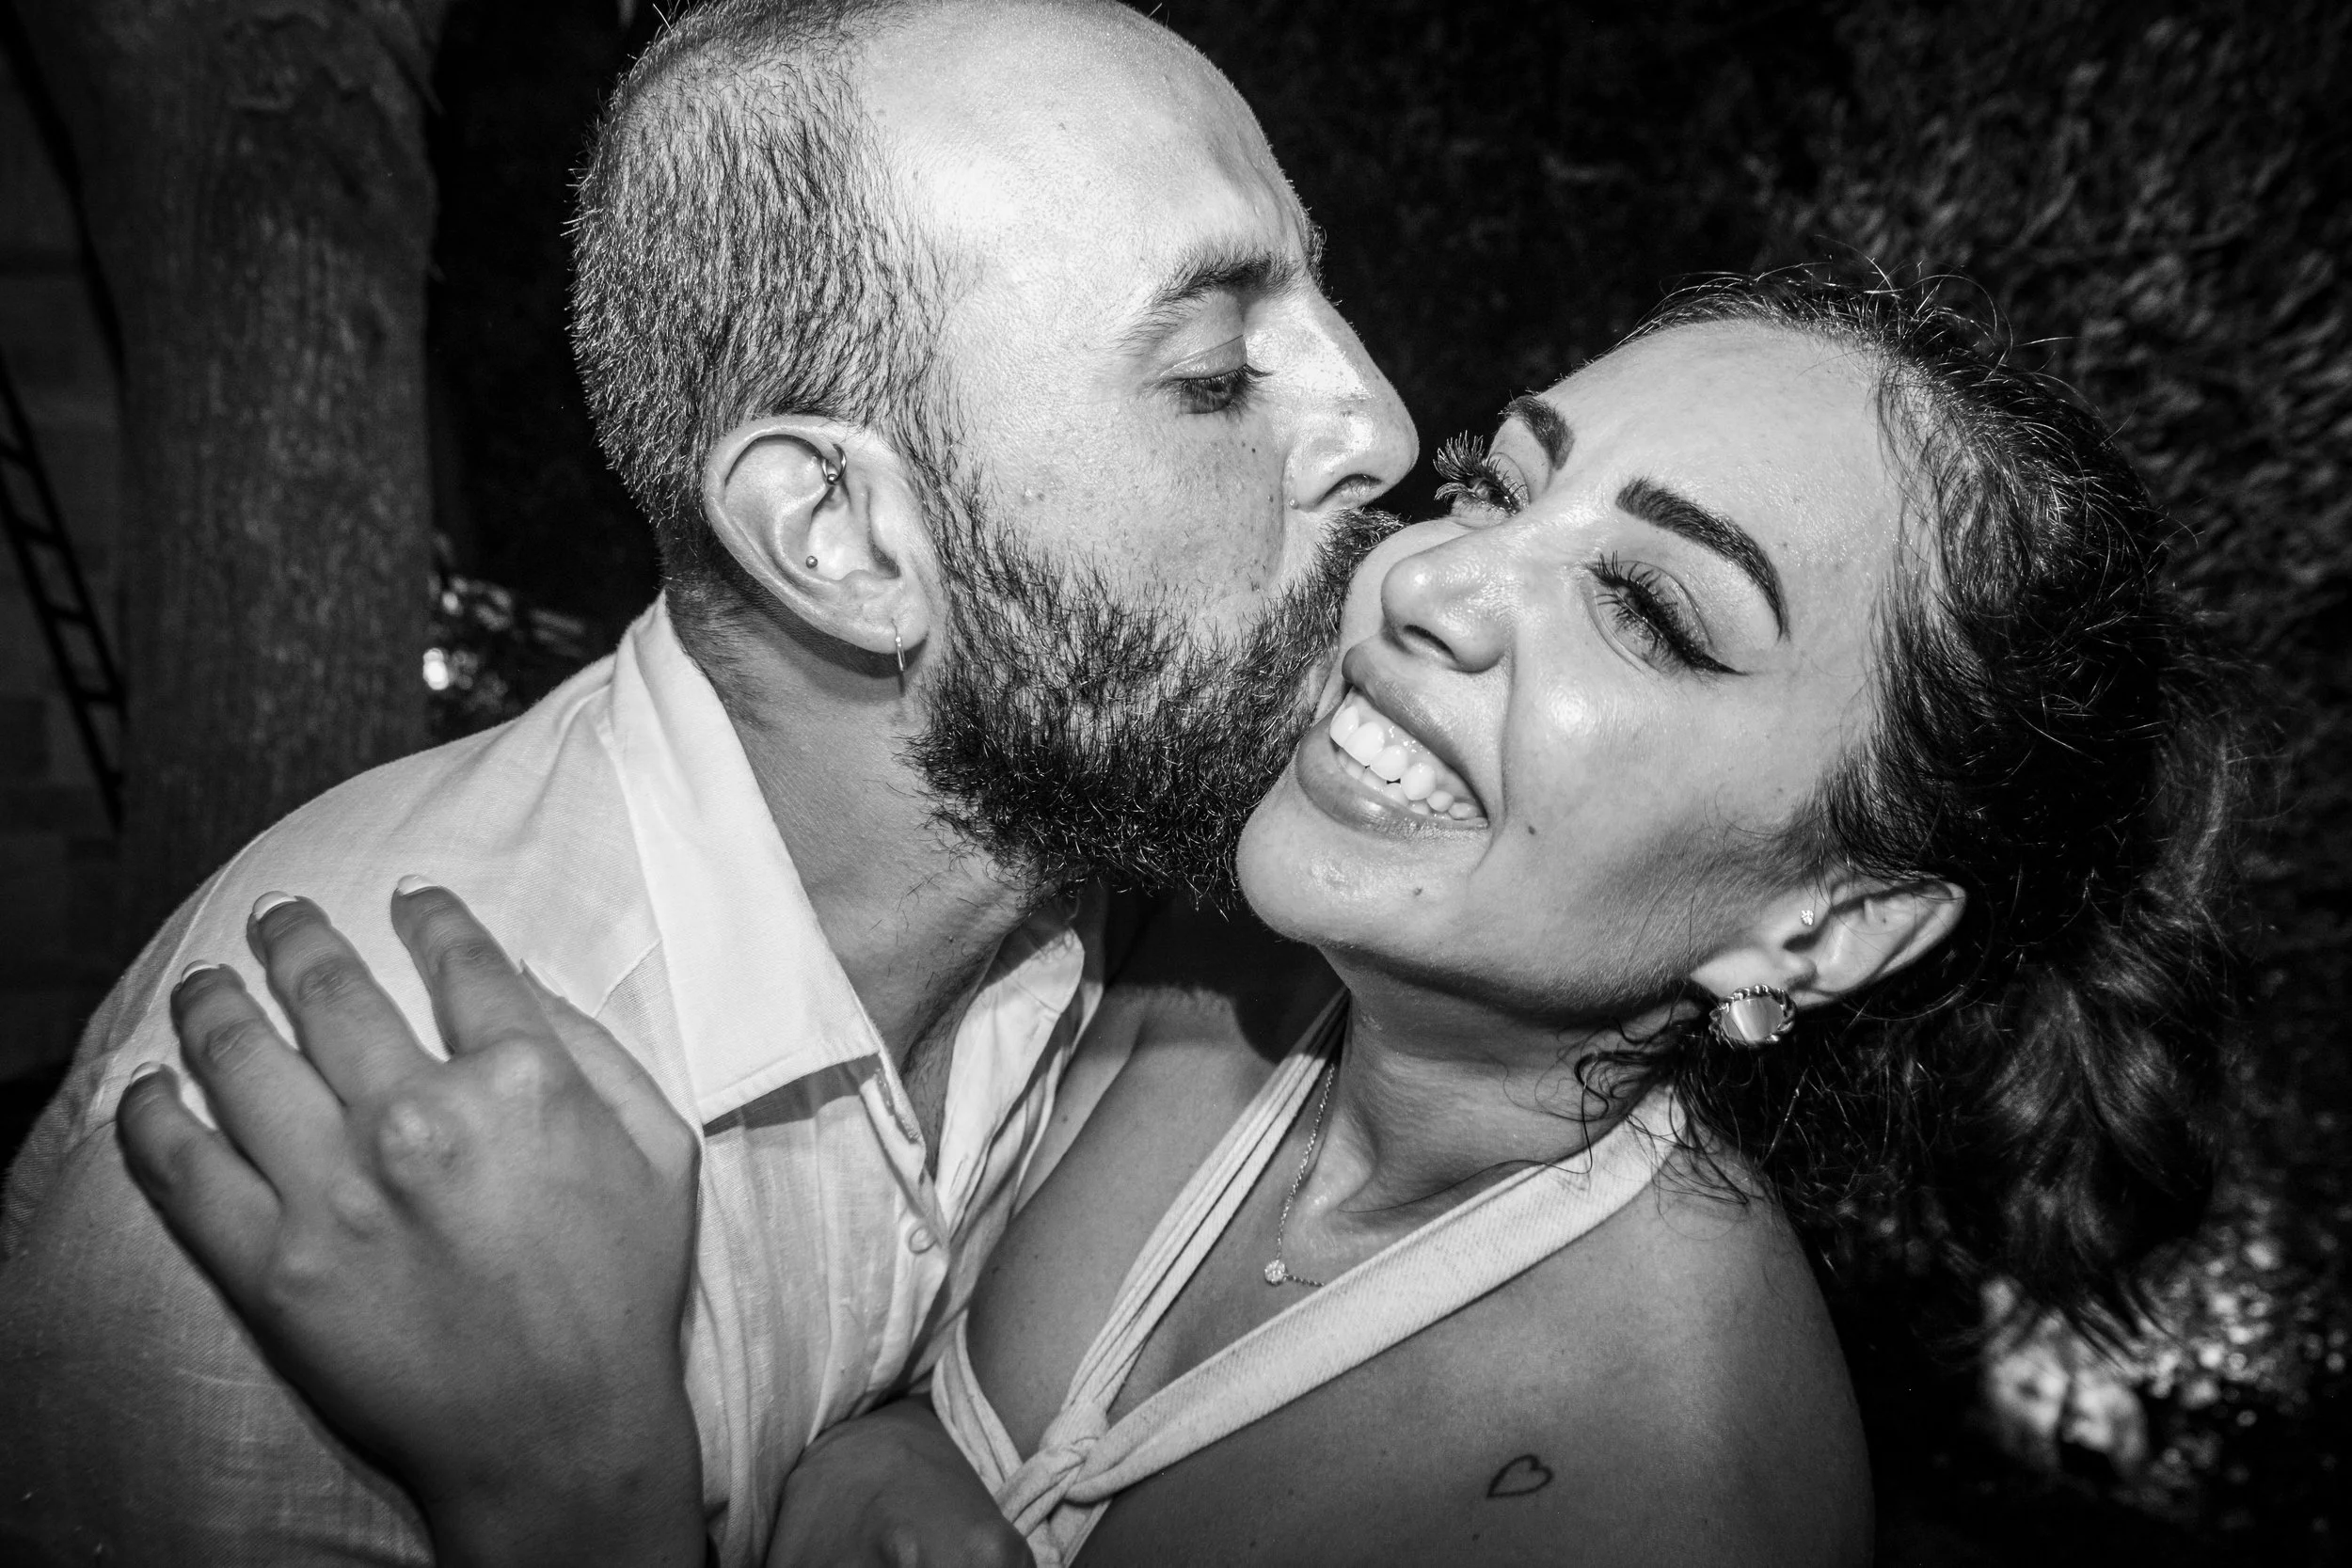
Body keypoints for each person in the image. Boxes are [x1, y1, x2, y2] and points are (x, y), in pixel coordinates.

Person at [119, 273, 2243, 1566]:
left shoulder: (1653, 1494)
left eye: (1649, 609)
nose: (1425, 572)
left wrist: (573, 1480)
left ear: (1827, 927)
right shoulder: (1189, 959)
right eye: (1503, 483)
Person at [0, 1, 1414, 1562]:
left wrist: (884, 1443)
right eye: (1217, 372)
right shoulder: (311, 1179)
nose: (1385, 428)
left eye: (1319, 303)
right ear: (839, 537)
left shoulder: (1090, 858)